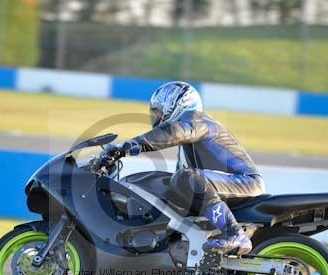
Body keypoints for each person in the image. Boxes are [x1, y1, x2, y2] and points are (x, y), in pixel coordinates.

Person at [101, 81, 265, 255]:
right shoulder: (187, 145)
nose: (155, 117)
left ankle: (235, 234)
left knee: (185, 177)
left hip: (245, 182)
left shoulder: (197, 120)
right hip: (218, 184)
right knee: (165, 184)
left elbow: (175, 132)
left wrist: (129, 145)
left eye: (158, 111)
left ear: (177, 105)